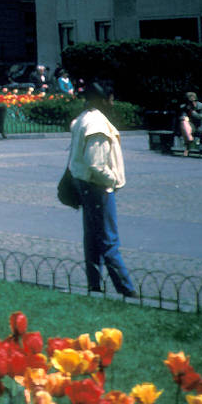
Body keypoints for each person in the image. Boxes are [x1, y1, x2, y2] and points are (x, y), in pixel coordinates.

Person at [68, 82, 137, 298]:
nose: (113, 102)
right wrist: (113, 180)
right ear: (102, 99)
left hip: (86, 185)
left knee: (92, 237)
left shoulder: (84, 119)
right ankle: (126, 288)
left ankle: (94, 284)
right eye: (110, 98)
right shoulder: (97, 125)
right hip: (98, 187)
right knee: (108, 239)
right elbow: (95, 164)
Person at [177, 91, 202, 157]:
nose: (192, 103)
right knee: (184, 123)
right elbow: (182, 116)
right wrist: (184, 117)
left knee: (185, 127)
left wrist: (192, 111)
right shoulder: (183, 107)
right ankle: (189, 141)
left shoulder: (201, 107)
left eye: (194, 100)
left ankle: (187, 147)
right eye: (189, 101)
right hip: (187, 126)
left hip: (198, 125)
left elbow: (200, 117)